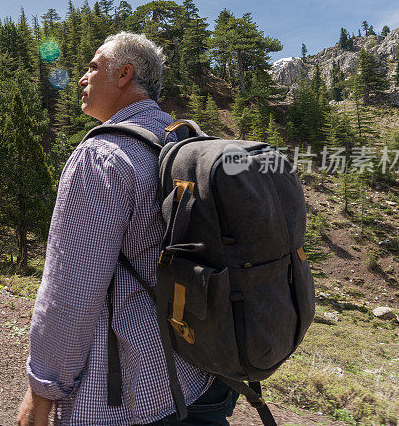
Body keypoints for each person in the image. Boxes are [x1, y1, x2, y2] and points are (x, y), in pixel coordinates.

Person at [17, 32, 237, 425]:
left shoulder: (102, 156)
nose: (82, 78)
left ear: (124, 75)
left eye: (93, 67)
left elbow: (70, 293)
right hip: (204, 374)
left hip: (137, 399)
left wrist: (41, 394)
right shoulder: (184, 142)